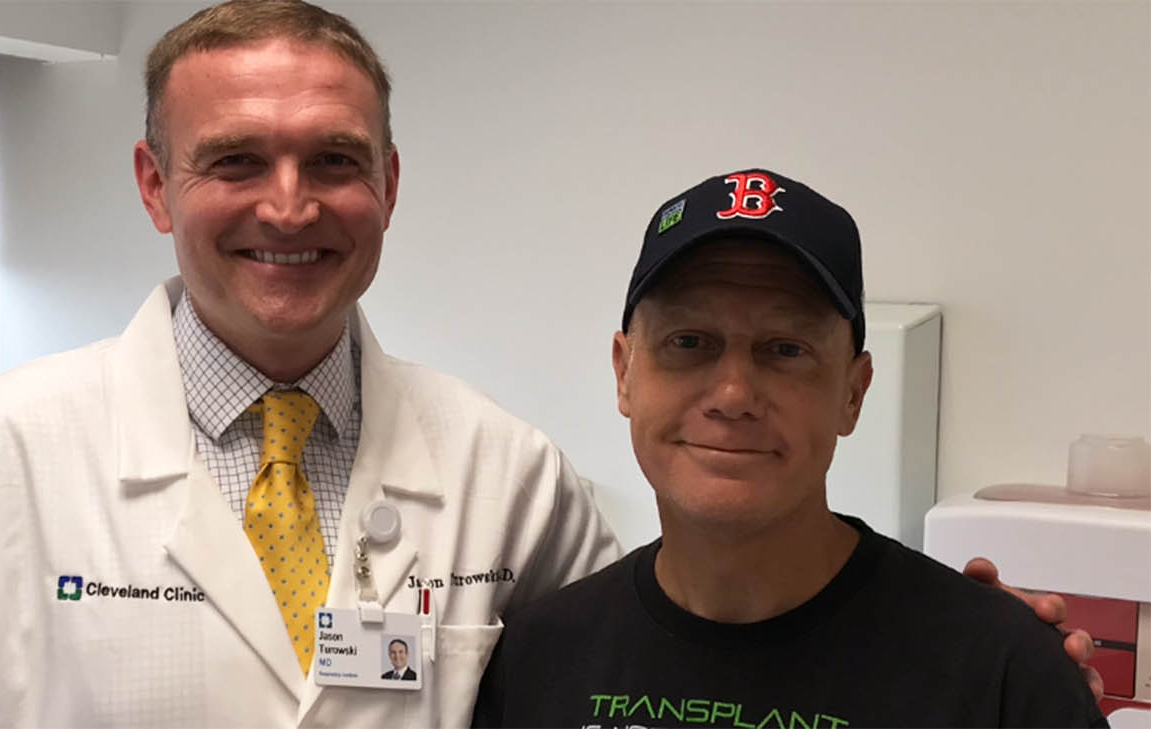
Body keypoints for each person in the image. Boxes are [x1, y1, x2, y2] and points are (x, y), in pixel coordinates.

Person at [0, 2, 1097, 727]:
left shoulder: (507, 473)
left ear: (388, 185)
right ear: (154, 183)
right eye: (234, 159)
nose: (288, 205)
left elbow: (684, 630)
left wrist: (960, 639)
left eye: (334, 161)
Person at [471, 169, 1109, 728]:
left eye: (785, 350)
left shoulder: (1001, 676)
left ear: (853, 393)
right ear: (624, 374)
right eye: (688, 342)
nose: (733, 395)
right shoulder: (538, 658)